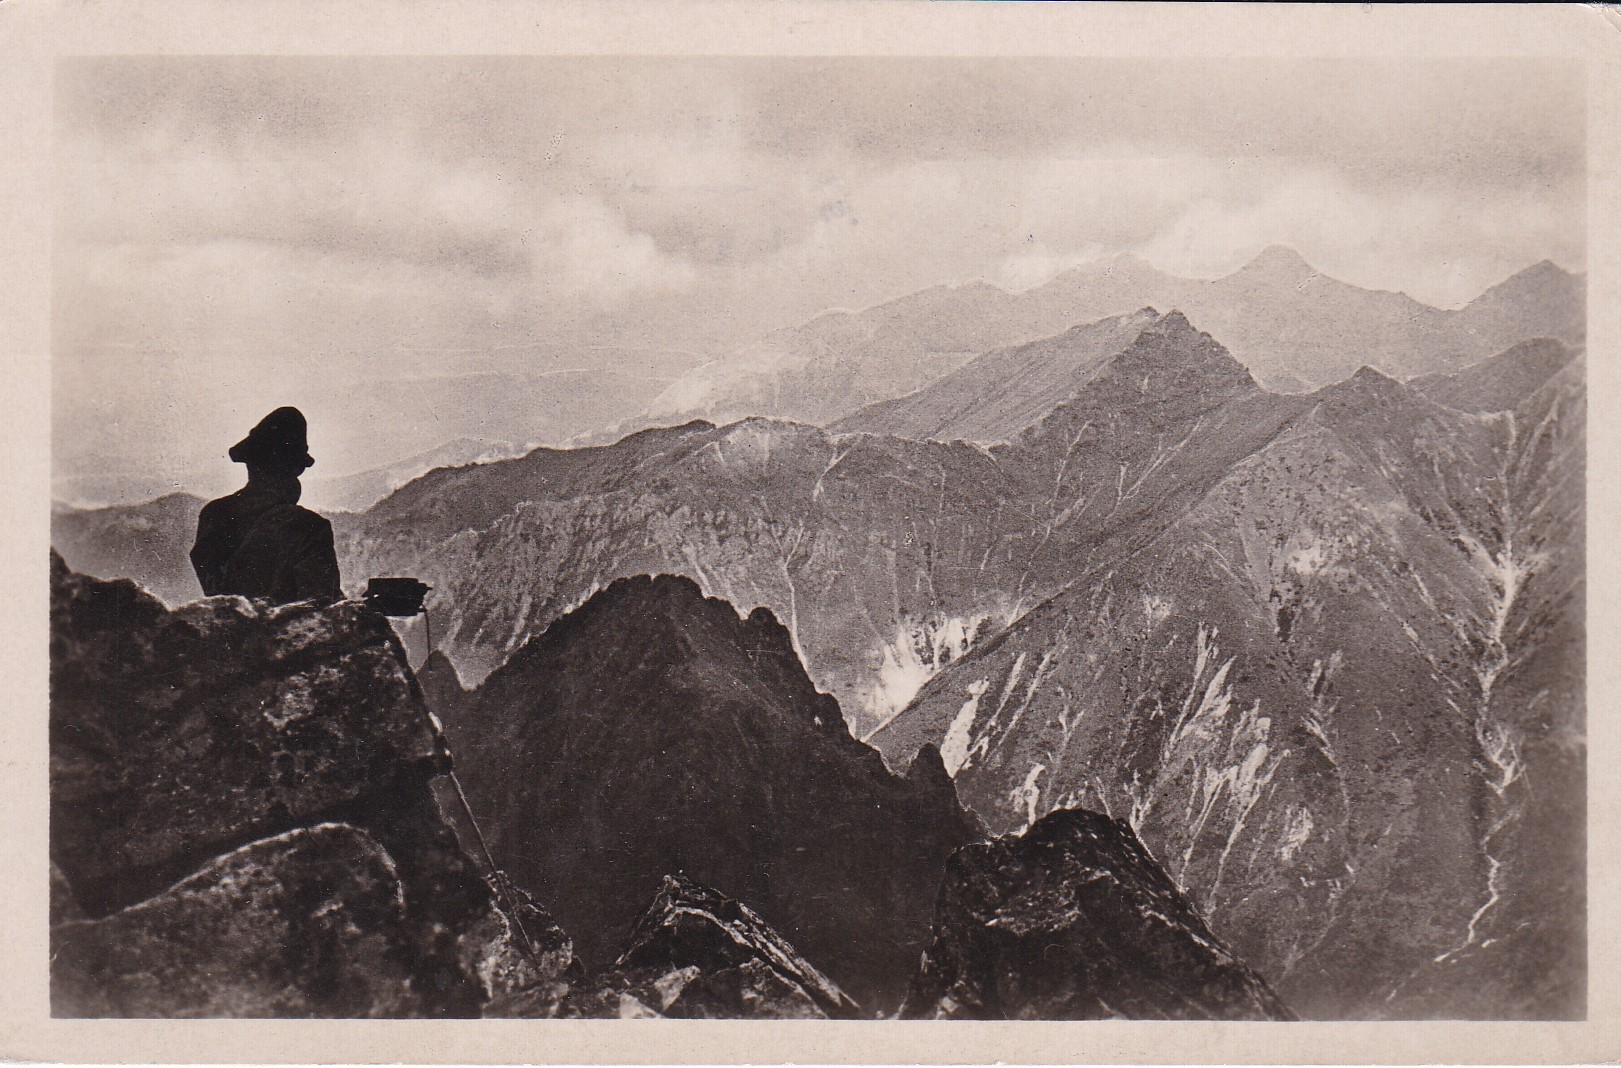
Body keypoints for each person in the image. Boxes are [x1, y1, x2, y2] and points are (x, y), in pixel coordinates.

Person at [190, 406, 344, 604]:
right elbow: (320, 607)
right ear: (293, 468)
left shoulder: (214, 514)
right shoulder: (309, 527)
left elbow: (221, 596)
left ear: (251, 463)